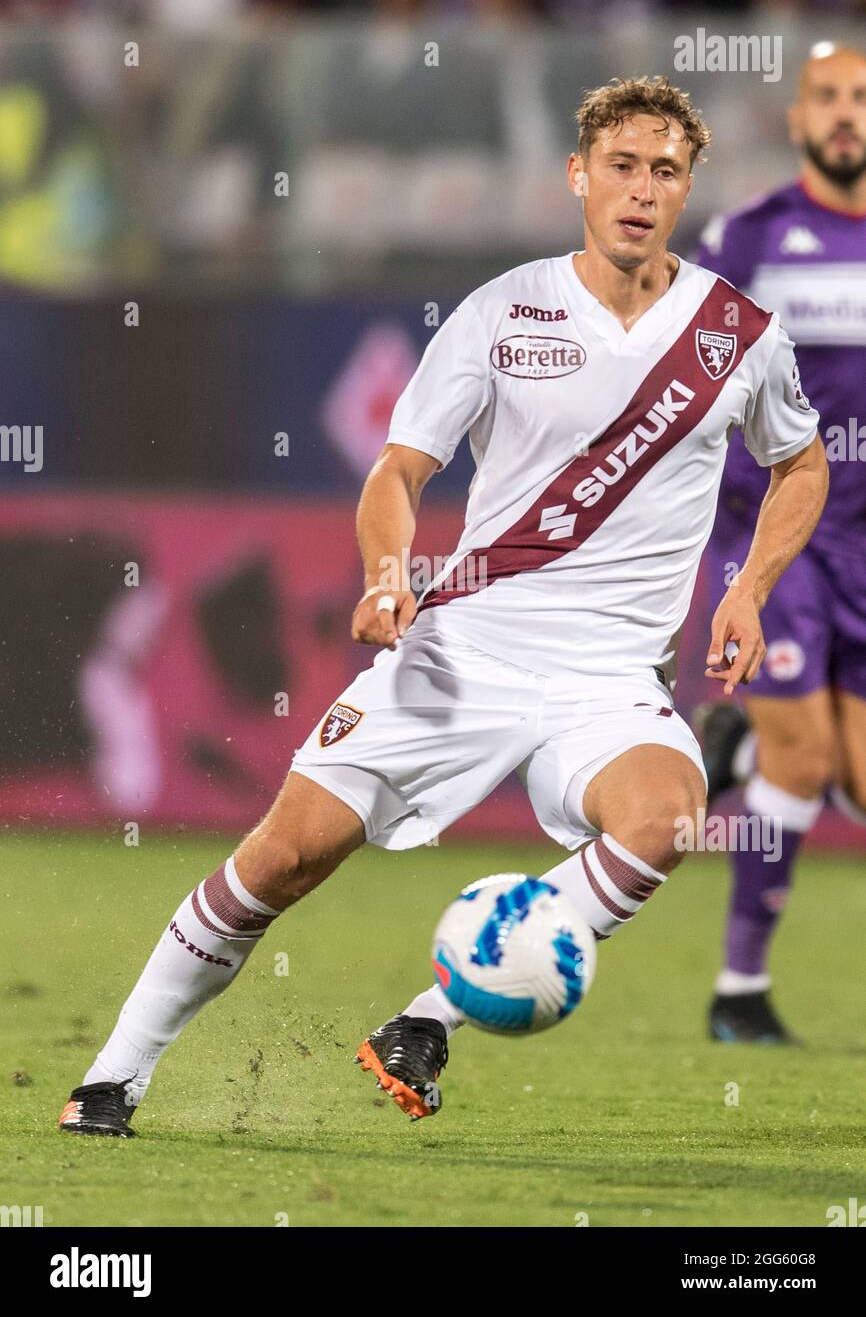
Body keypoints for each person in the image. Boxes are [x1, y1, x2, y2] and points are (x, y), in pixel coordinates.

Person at [59, 76, 826, 1136]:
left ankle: (426, 1018)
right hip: (463, 643)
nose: (640, 189)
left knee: (664, 819)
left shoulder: (736, 334)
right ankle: (111, 1076)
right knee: (282, 857)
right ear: (576, 176)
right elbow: (397, 473)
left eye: (663, 171)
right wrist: (387, 573)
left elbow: (799, 465)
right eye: (619, 165)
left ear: (687, 186)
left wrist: (747, 589)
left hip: (606, 678)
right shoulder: (500, 313)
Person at [694, 42, 866, 1044]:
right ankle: (737, 992)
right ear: (796, 121)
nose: (844, 114)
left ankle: (744, 738)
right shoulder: (749, 236)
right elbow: (687, 363)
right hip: (779, 526)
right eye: (826, 99)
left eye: (860, 99)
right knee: (803, 765)